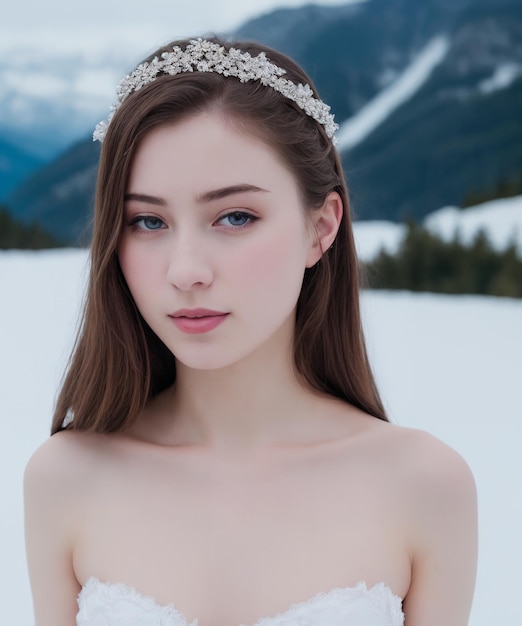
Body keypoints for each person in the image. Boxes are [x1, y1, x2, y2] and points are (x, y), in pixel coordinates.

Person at [24, 37, 477, 626]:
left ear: (321, 227)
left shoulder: (424, 486)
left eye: (235, 216)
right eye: (147, 221)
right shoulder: (66, 479)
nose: (185, 270)